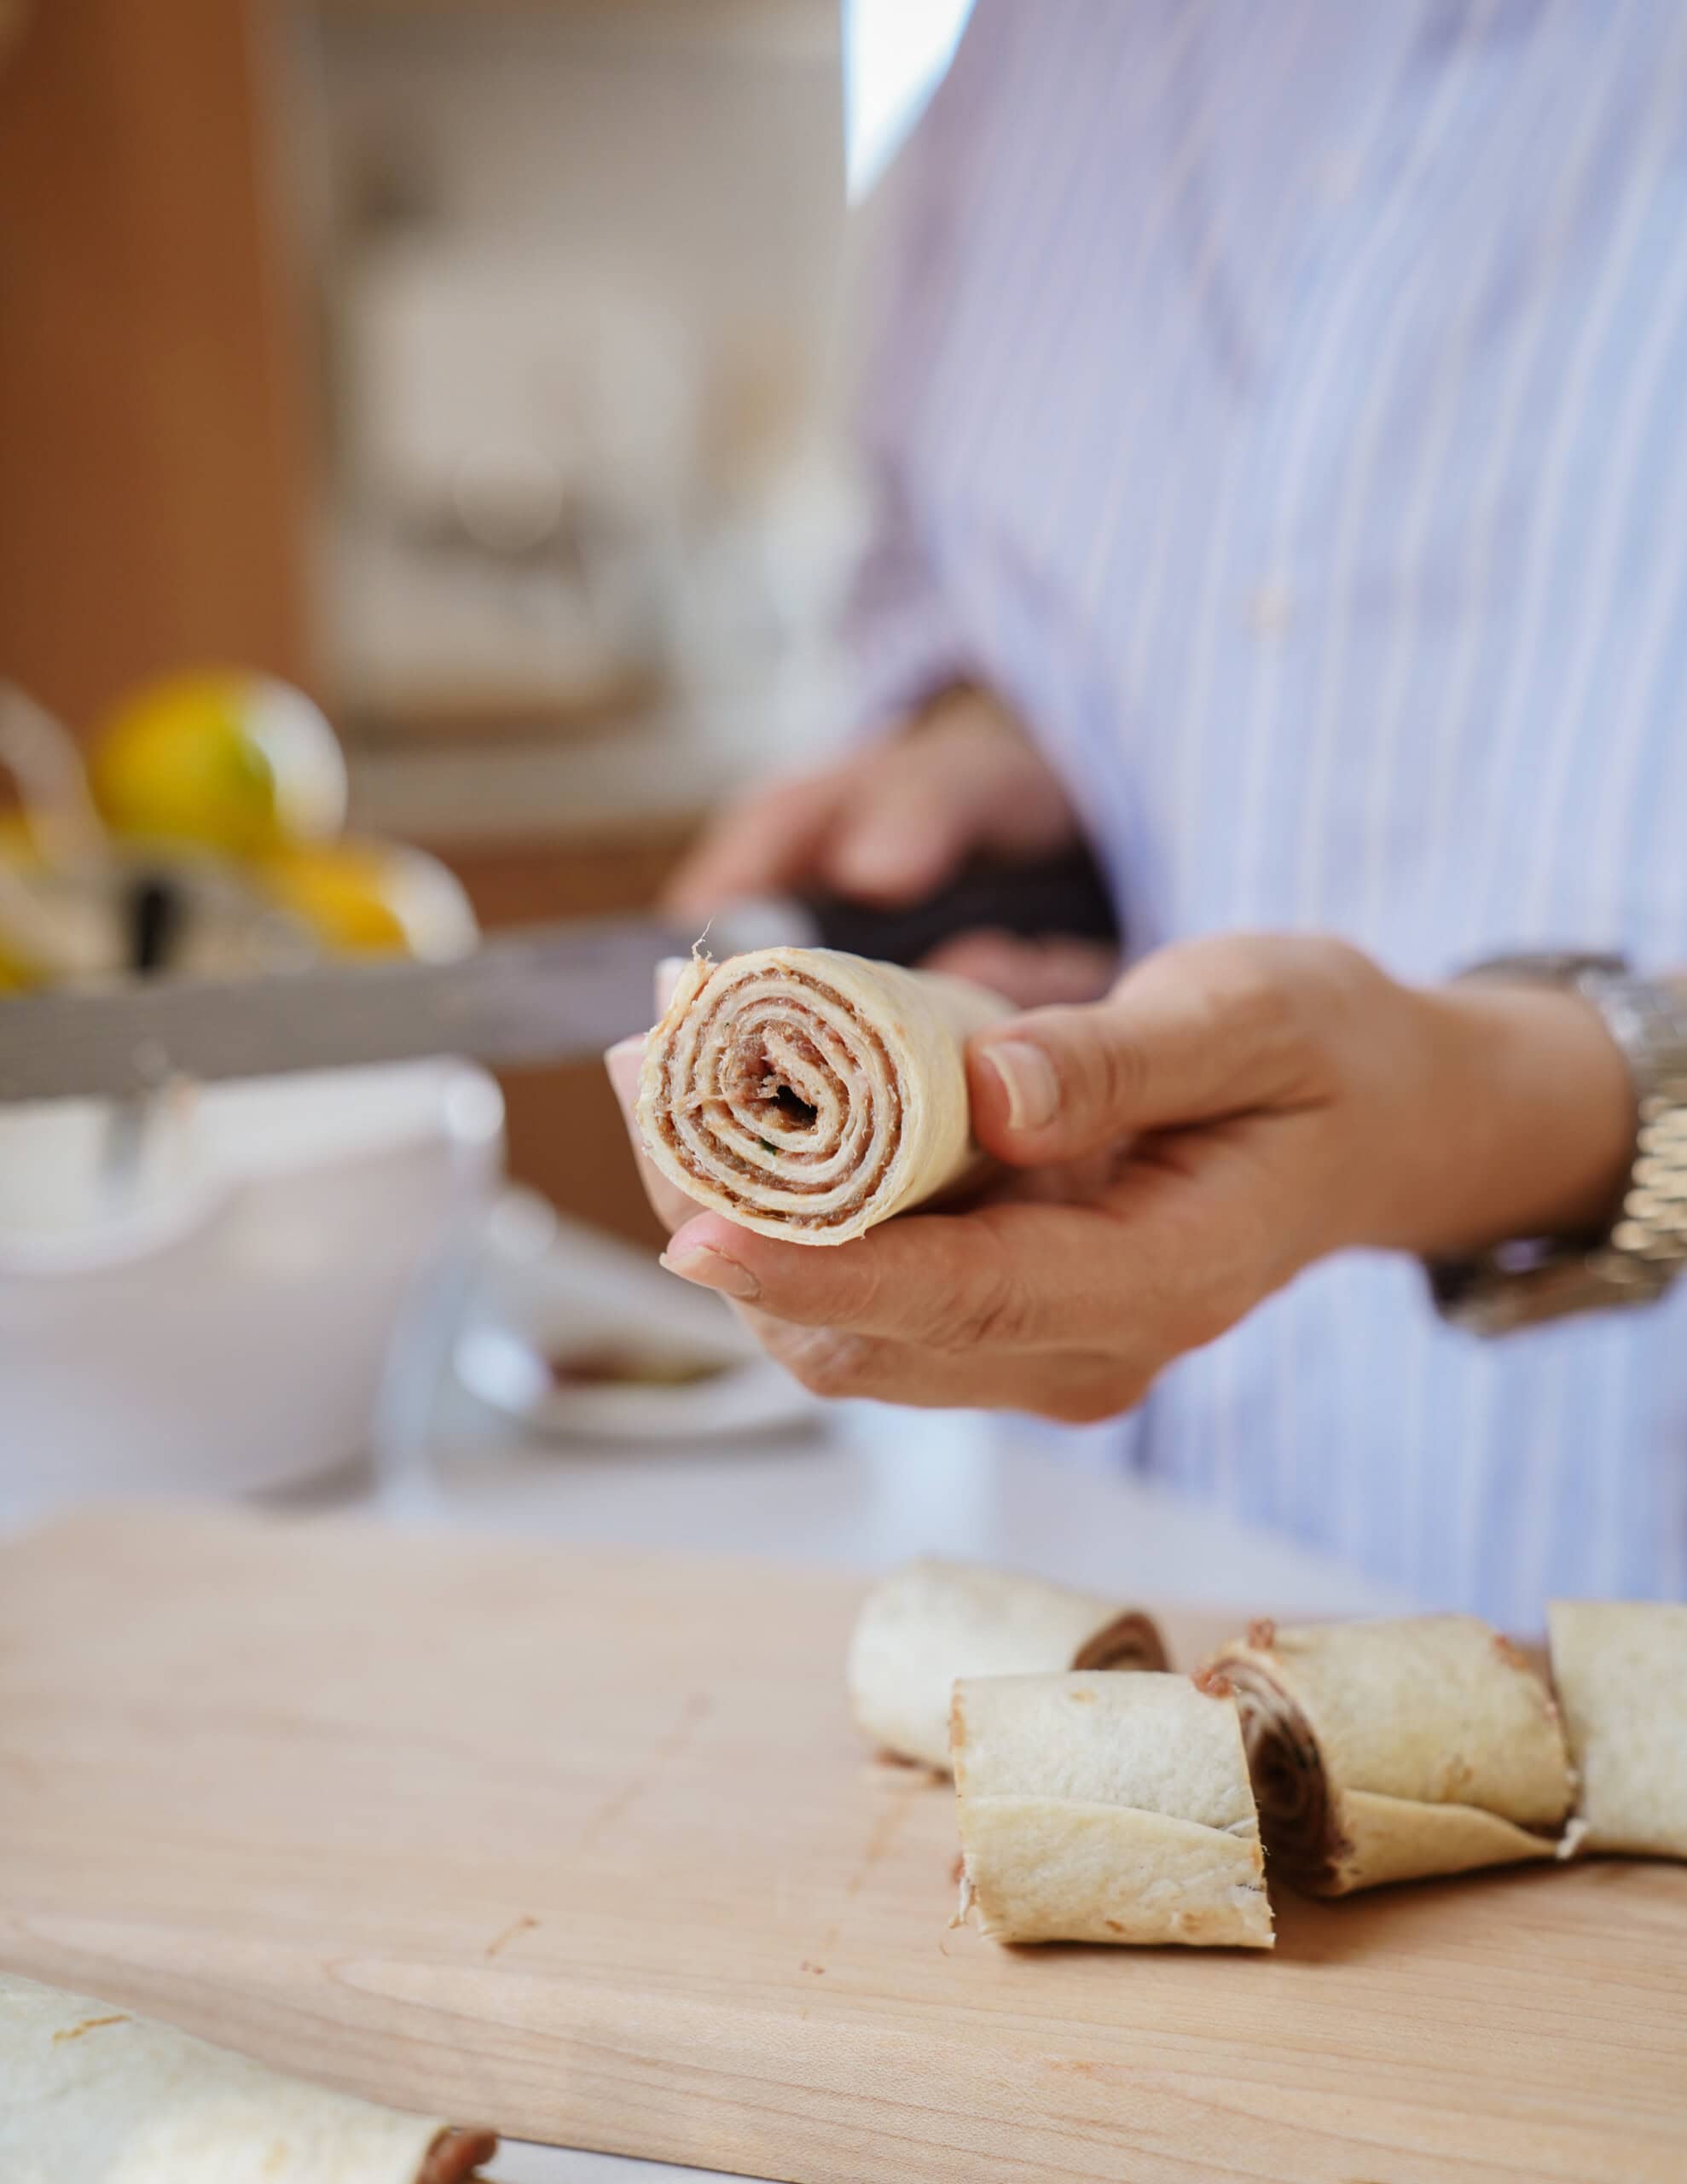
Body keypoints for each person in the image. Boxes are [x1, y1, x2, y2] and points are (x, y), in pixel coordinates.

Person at [608, 0, 1687, 1625]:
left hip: (1624, 1634)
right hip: (1124, 1608)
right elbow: (939, 579)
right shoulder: (1027, 55)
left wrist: (1492, 1113)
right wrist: (973, 740)